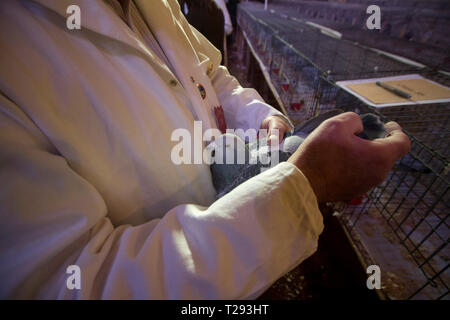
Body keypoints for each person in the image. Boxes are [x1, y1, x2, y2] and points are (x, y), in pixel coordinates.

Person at [0, 0, 410, 299]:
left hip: (233, 232)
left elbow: (211, 73)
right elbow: (75, 286)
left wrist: (260, 118)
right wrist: (308, 183)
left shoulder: (155, 4)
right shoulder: (13, 48)